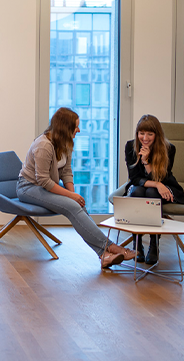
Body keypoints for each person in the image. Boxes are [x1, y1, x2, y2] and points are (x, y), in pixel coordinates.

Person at [16, 107, 136, 268]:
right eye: (76, 127)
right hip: (28, 187)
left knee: (76, 205)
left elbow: (66, 171)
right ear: (65, 128)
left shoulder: (65, 142)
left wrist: (72, 195)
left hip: (45, 187)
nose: (79, 130)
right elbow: (43, 180)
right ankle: (112, 248)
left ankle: (104, 255)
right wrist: (71, 197)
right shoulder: (43, 145)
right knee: (73, 203)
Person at [125, 114, 184, 264]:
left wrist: (147, 163)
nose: (145, 138)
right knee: (139, 191)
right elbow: (135, 178)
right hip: (141, 187)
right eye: (141, 133)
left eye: (150, 134)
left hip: (163, 185)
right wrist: (156, 182)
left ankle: (154, 244)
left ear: (157, 135)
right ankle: (137, 244)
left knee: (151, 192)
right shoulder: (130, 146)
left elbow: (162, 179)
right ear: (137, 133)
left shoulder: (169, 149)